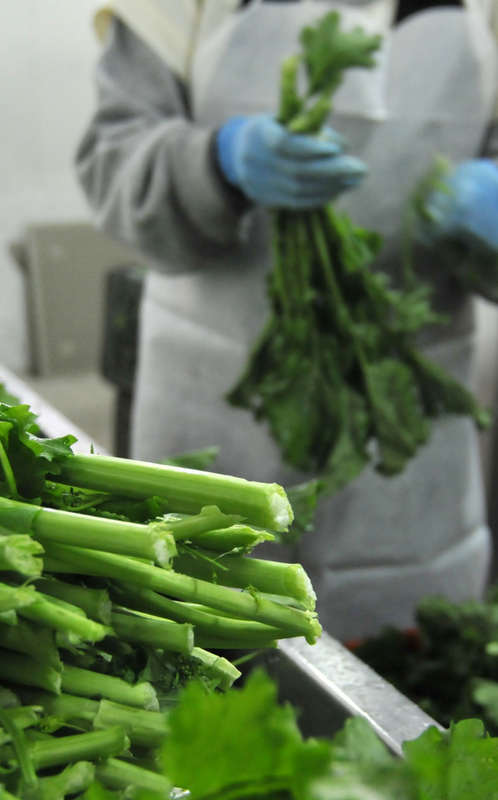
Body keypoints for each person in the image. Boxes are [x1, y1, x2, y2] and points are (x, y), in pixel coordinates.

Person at [76, 0, 498, 640]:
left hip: (408, 454)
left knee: (407, 679)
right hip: (214, 411)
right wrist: (215, 163)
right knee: (204, 639)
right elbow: (113, 164)